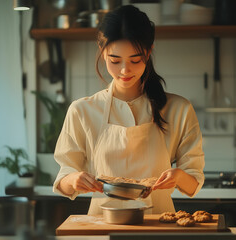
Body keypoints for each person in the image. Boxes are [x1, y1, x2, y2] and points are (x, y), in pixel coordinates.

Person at [53, 5, 204, 215]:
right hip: (102, 229)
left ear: (149, 51)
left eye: (135, 60)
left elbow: (193, 181)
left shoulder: (179, 110)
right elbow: (63, 178)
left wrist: (178, 176)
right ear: (102, 51)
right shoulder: (82, 111)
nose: (125, 70)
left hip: (158, 227)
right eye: (115, 60)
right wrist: (73, 179)